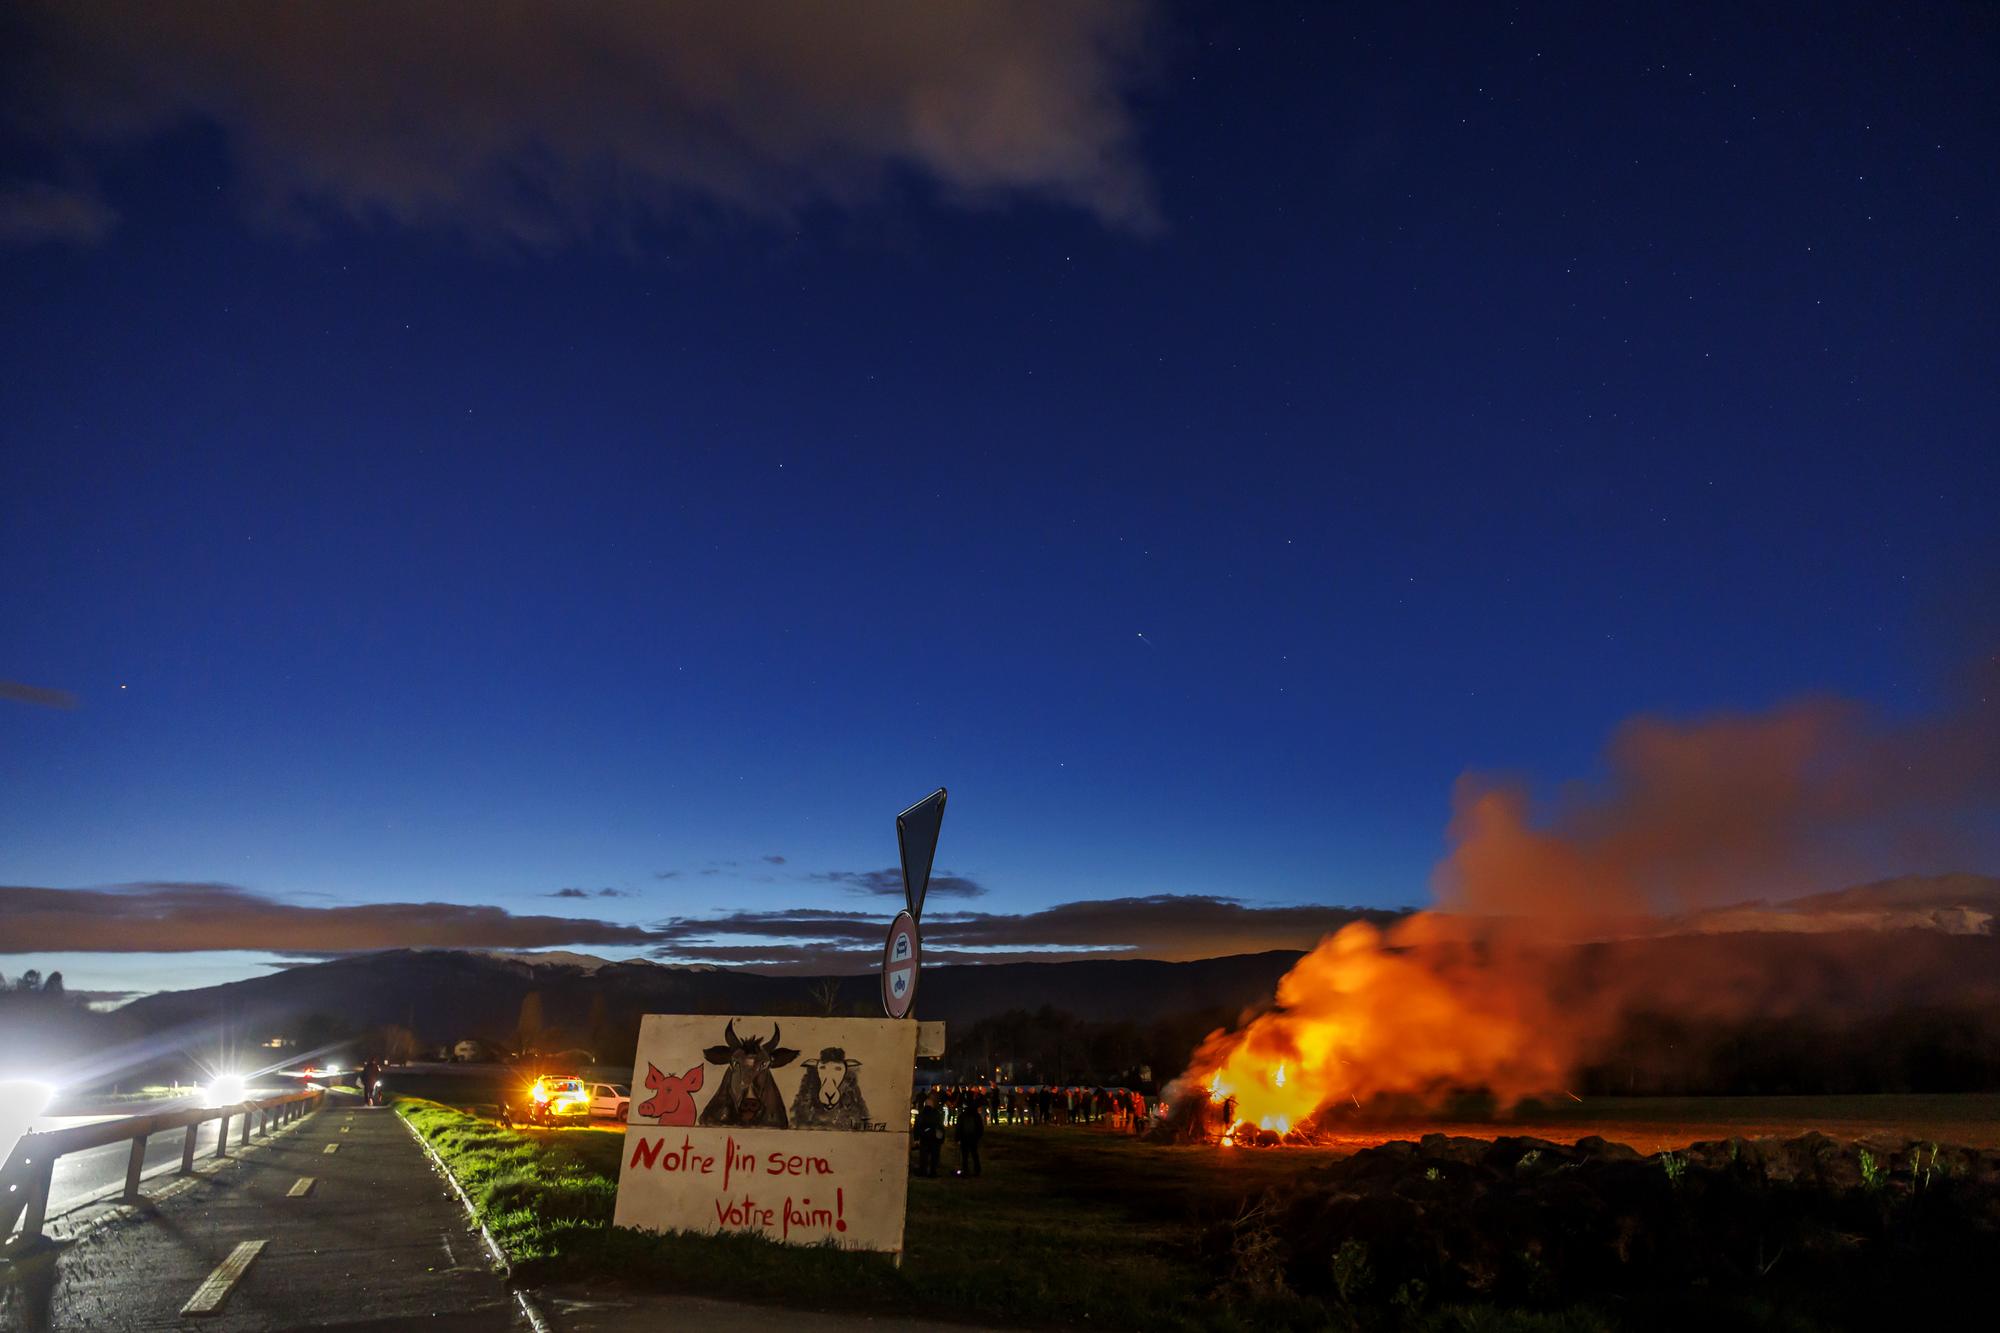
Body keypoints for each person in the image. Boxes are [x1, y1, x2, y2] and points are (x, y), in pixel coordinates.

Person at [913, 1094, 944, 1178]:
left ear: (925, 1104)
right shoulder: (937, 1113)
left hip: (924, 1138)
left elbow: (917, 1127)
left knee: (923, 1157)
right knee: (934, 1157)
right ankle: (933, 1173)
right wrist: (941, 1139)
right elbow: (940, 1127)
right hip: (934, 1139)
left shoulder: (921, 1113)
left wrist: (916, 1139)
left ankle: (923, 1172)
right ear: (932, 1104)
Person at [954, 1094, 985, 1177]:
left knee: (964, 1156)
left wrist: (957, 1138)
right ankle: (977, 1170)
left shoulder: (962, 1115)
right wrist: (978, 1136)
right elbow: (980, 1128)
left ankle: (965, 1171)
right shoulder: (976, 1115)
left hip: (964, 1138)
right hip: (973, 1138)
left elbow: (958, 1128)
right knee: (975, 1154)